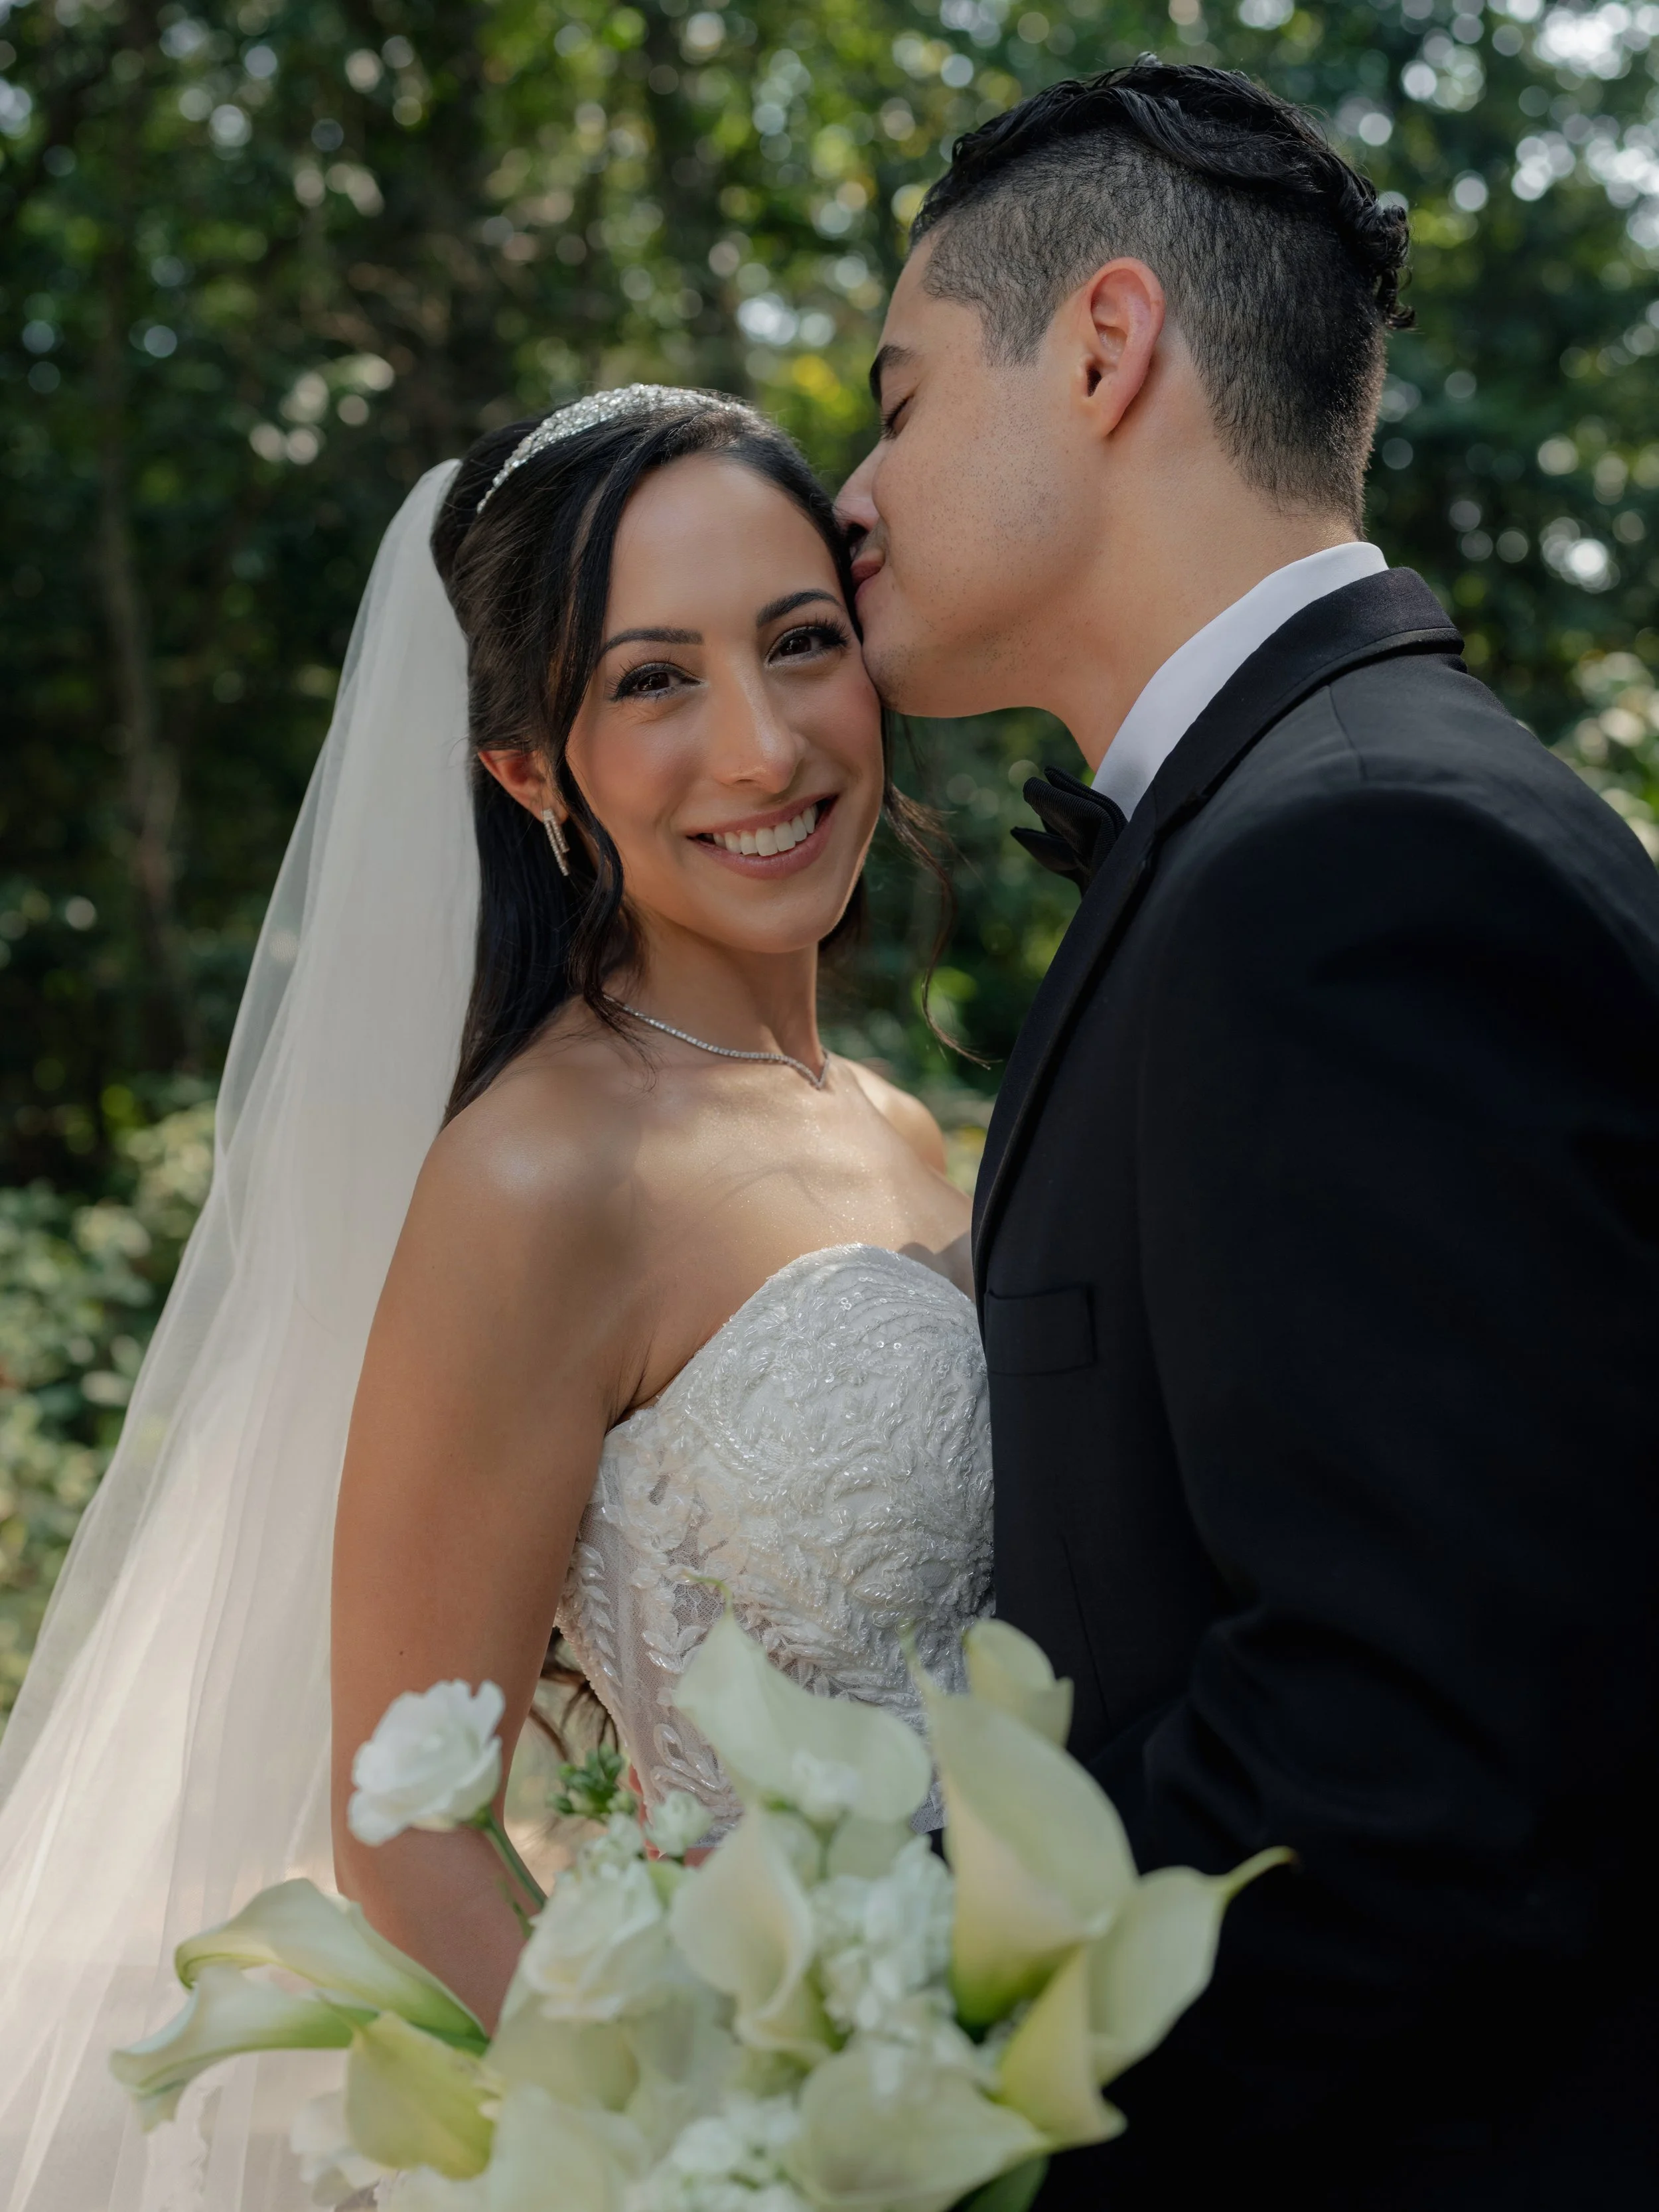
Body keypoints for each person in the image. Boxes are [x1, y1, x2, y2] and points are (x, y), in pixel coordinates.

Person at [0, 387, 989, 2209]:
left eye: (800, 644)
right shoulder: (541, 1173)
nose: (763, 747)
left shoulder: (901, 1126)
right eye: (651, 681)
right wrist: (703, 2153)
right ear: (530, 770)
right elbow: (409, 1821)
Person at [837, 59, 1659, 2212]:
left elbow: (1406, 1757)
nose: (855, 485)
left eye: (898, 397)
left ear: (1103, 348)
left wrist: (899, 2084)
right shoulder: (1293, 826)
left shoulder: (1359, 859)